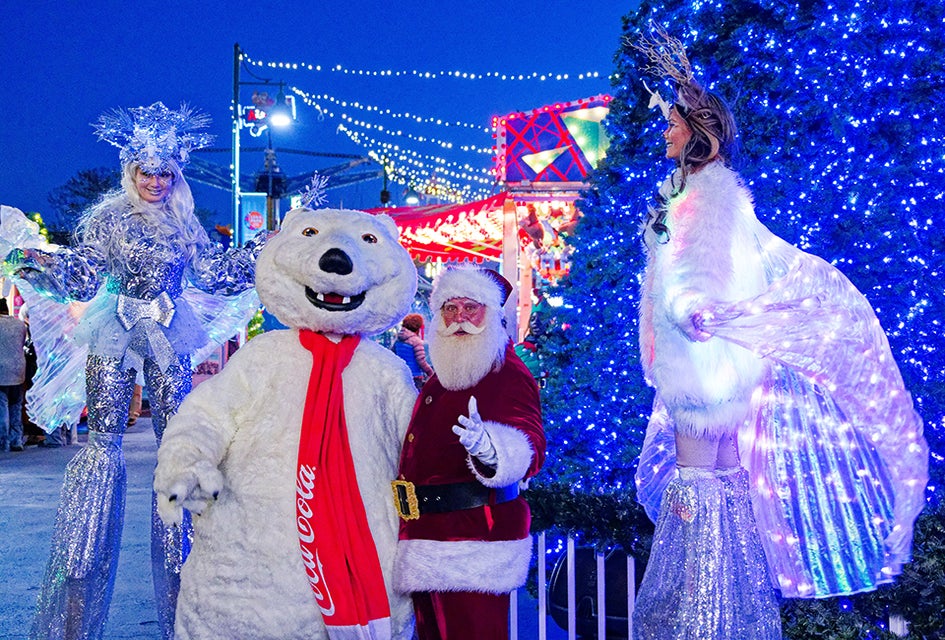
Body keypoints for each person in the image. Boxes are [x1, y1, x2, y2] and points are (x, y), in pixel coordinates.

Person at [630, 29, 927, 639]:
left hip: (700, 372)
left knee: (694, 502)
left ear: (695, 132)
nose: (665, 133)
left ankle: (698, 624)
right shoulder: (708, 195)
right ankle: (733, 620)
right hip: (715, 368)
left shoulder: (703, 200)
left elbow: (698, 275)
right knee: (725, 492)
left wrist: (688, 308)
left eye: (673, 124)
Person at [3, 102, 266, 640]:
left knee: (180, 440)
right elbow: (82, 270)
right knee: (103, 443)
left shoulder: (185, 225)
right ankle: (80, 564)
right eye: (146, 172)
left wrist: (273, 244)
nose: (154, 181)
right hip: (114, 332)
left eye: (164, 172)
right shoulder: (107, 220)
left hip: (171, 335)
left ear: (176, 176)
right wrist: (38, 261)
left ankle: (186, 586)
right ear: (131, 173)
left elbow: (215, 273)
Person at [392, 267, 546, 640]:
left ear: (492, 314)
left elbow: (530, 441)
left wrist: (493, 449)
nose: (459, 318)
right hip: (430, 537)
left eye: (471, 308)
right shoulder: (449, 370)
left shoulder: (505, 370)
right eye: (450, 307)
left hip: (473, 541)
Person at [0, 298, 27, 452]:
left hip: (1, 371)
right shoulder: (19, 324)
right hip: (18, 369)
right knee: (16, 405)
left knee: (2, 406)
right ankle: (16, 440)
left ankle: (3, 442)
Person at [392, 312, 434, 389]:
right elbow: (421, 361)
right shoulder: (416, 341)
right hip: (415, 376)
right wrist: (430, 372)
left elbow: (393, 355)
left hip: (402, 375)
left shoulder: (398, 339)